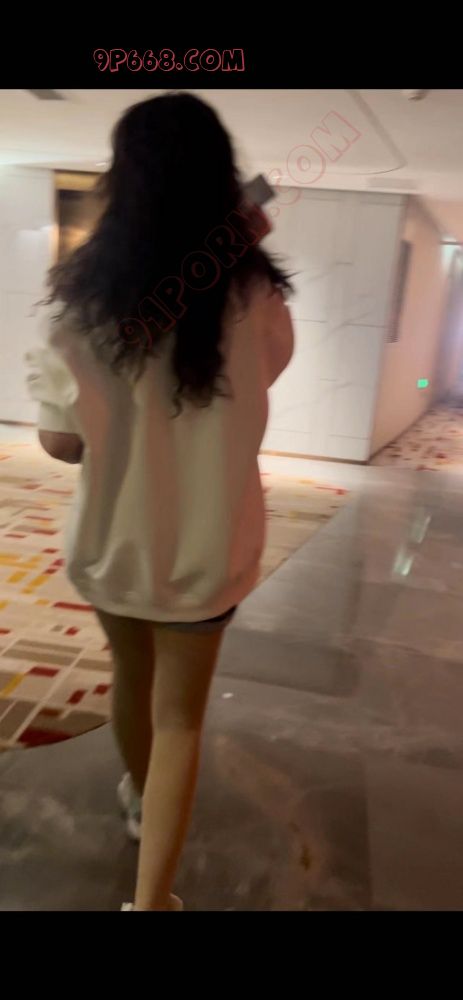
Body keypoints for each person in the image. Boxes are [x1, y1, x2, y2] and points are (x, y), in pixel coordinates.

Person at [25, 92, 294, 911]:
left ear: (123, 181)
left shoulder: (81, 305)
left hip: (112, 547)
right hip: (209, 552)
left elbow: (61, 444)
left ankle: (144, 801)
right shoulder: (256, 299)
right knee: (180, 718)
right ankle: (151, 903)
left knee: (129, 677)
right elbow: (270, 369)